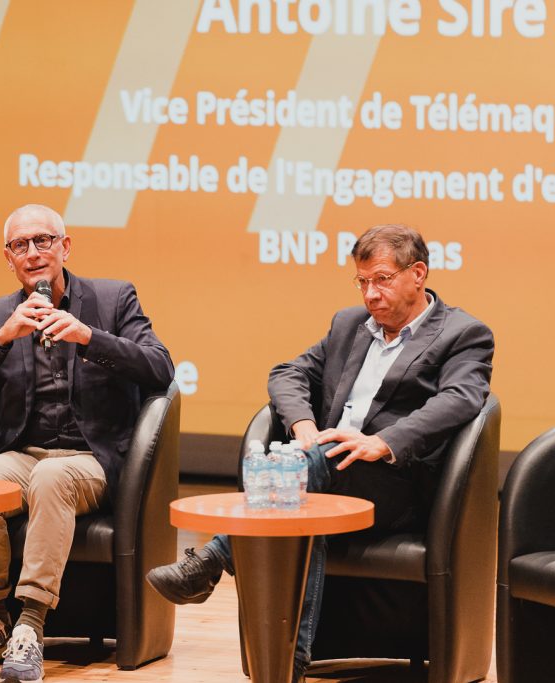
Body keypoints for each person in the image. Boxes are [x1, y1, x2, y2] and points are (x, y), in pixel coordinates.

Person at [146, 223, 494, 683]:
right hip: (326, 466)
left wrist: (384, 441)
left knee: (300, 471)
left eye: (383, 279)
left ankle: (212, 558)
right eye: (363, 281)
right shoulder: (349, 325)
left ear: (418, 274)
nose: (371, 293)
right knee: (303, 493)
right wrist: (304, 426)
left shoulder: (463, 333)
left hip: (398, 485)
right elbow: (287, 373)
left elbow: (462, 399)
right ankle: (291, 663)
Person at [0, 204, 174, 682]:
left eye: (43, 241)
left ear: (65, 247)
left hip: (92, 460)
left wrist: (91, 338)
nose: (33, 253)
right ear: (8, 258)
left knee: (53, 476)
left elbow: (160, 368)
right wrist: (2, 339)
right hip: (21, 454)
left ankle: (31, 623)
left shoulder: (112, 299)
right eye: (20, 245)